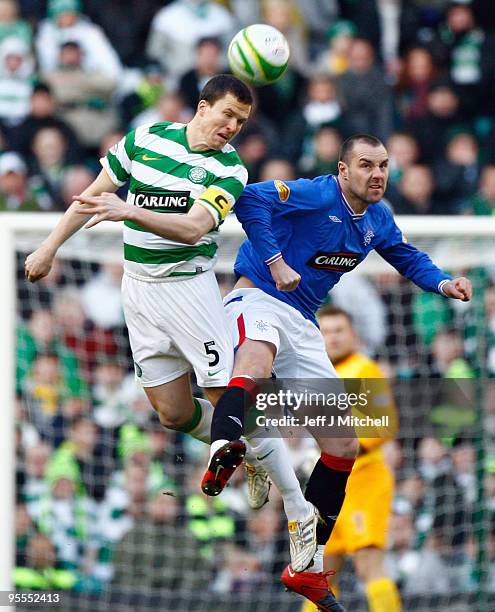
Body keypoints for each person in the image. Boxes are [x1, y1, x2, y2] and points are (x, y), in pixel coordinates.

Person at [204, 134, 471, 610]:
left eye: (384, 165)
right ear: (343, 171)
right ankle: (226, 442)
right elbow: (247, 198)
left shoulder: (378, 219)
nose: (377, 174)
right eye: (366, 164)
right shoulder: (316, 193)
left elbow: (406, 257)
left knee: (343, 442)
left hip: (304, 320)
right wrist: (275, 261)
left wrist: (443, 282)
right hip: (259, 295)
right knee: (256, 360)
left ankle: (305, 566)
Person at [24, 73, 252, 483]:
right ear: (203, 107)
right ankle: (250, 454)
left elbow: (192, 228)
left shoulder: (230, 168)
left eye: (241, 121)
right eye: (228, 115)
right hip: (139, 288)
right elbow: (93, 195)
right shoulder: (145, 139)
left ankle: (289, 489)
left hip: (188, 289)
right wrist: (49, 247)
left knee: (225, 397)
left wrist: (129, 210)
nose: (232, 127)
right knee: (174, 413)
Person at [302, 305, 400, 612]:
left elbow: (384, 426)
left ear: (353, 334)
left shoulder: (363, 369)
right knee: (317, 569)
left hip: (364, 480)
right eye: (326, 332)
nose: (331, 338)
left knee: (368, 564)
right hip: (329, 481)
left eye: (338, 331)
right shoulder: (317, 373)